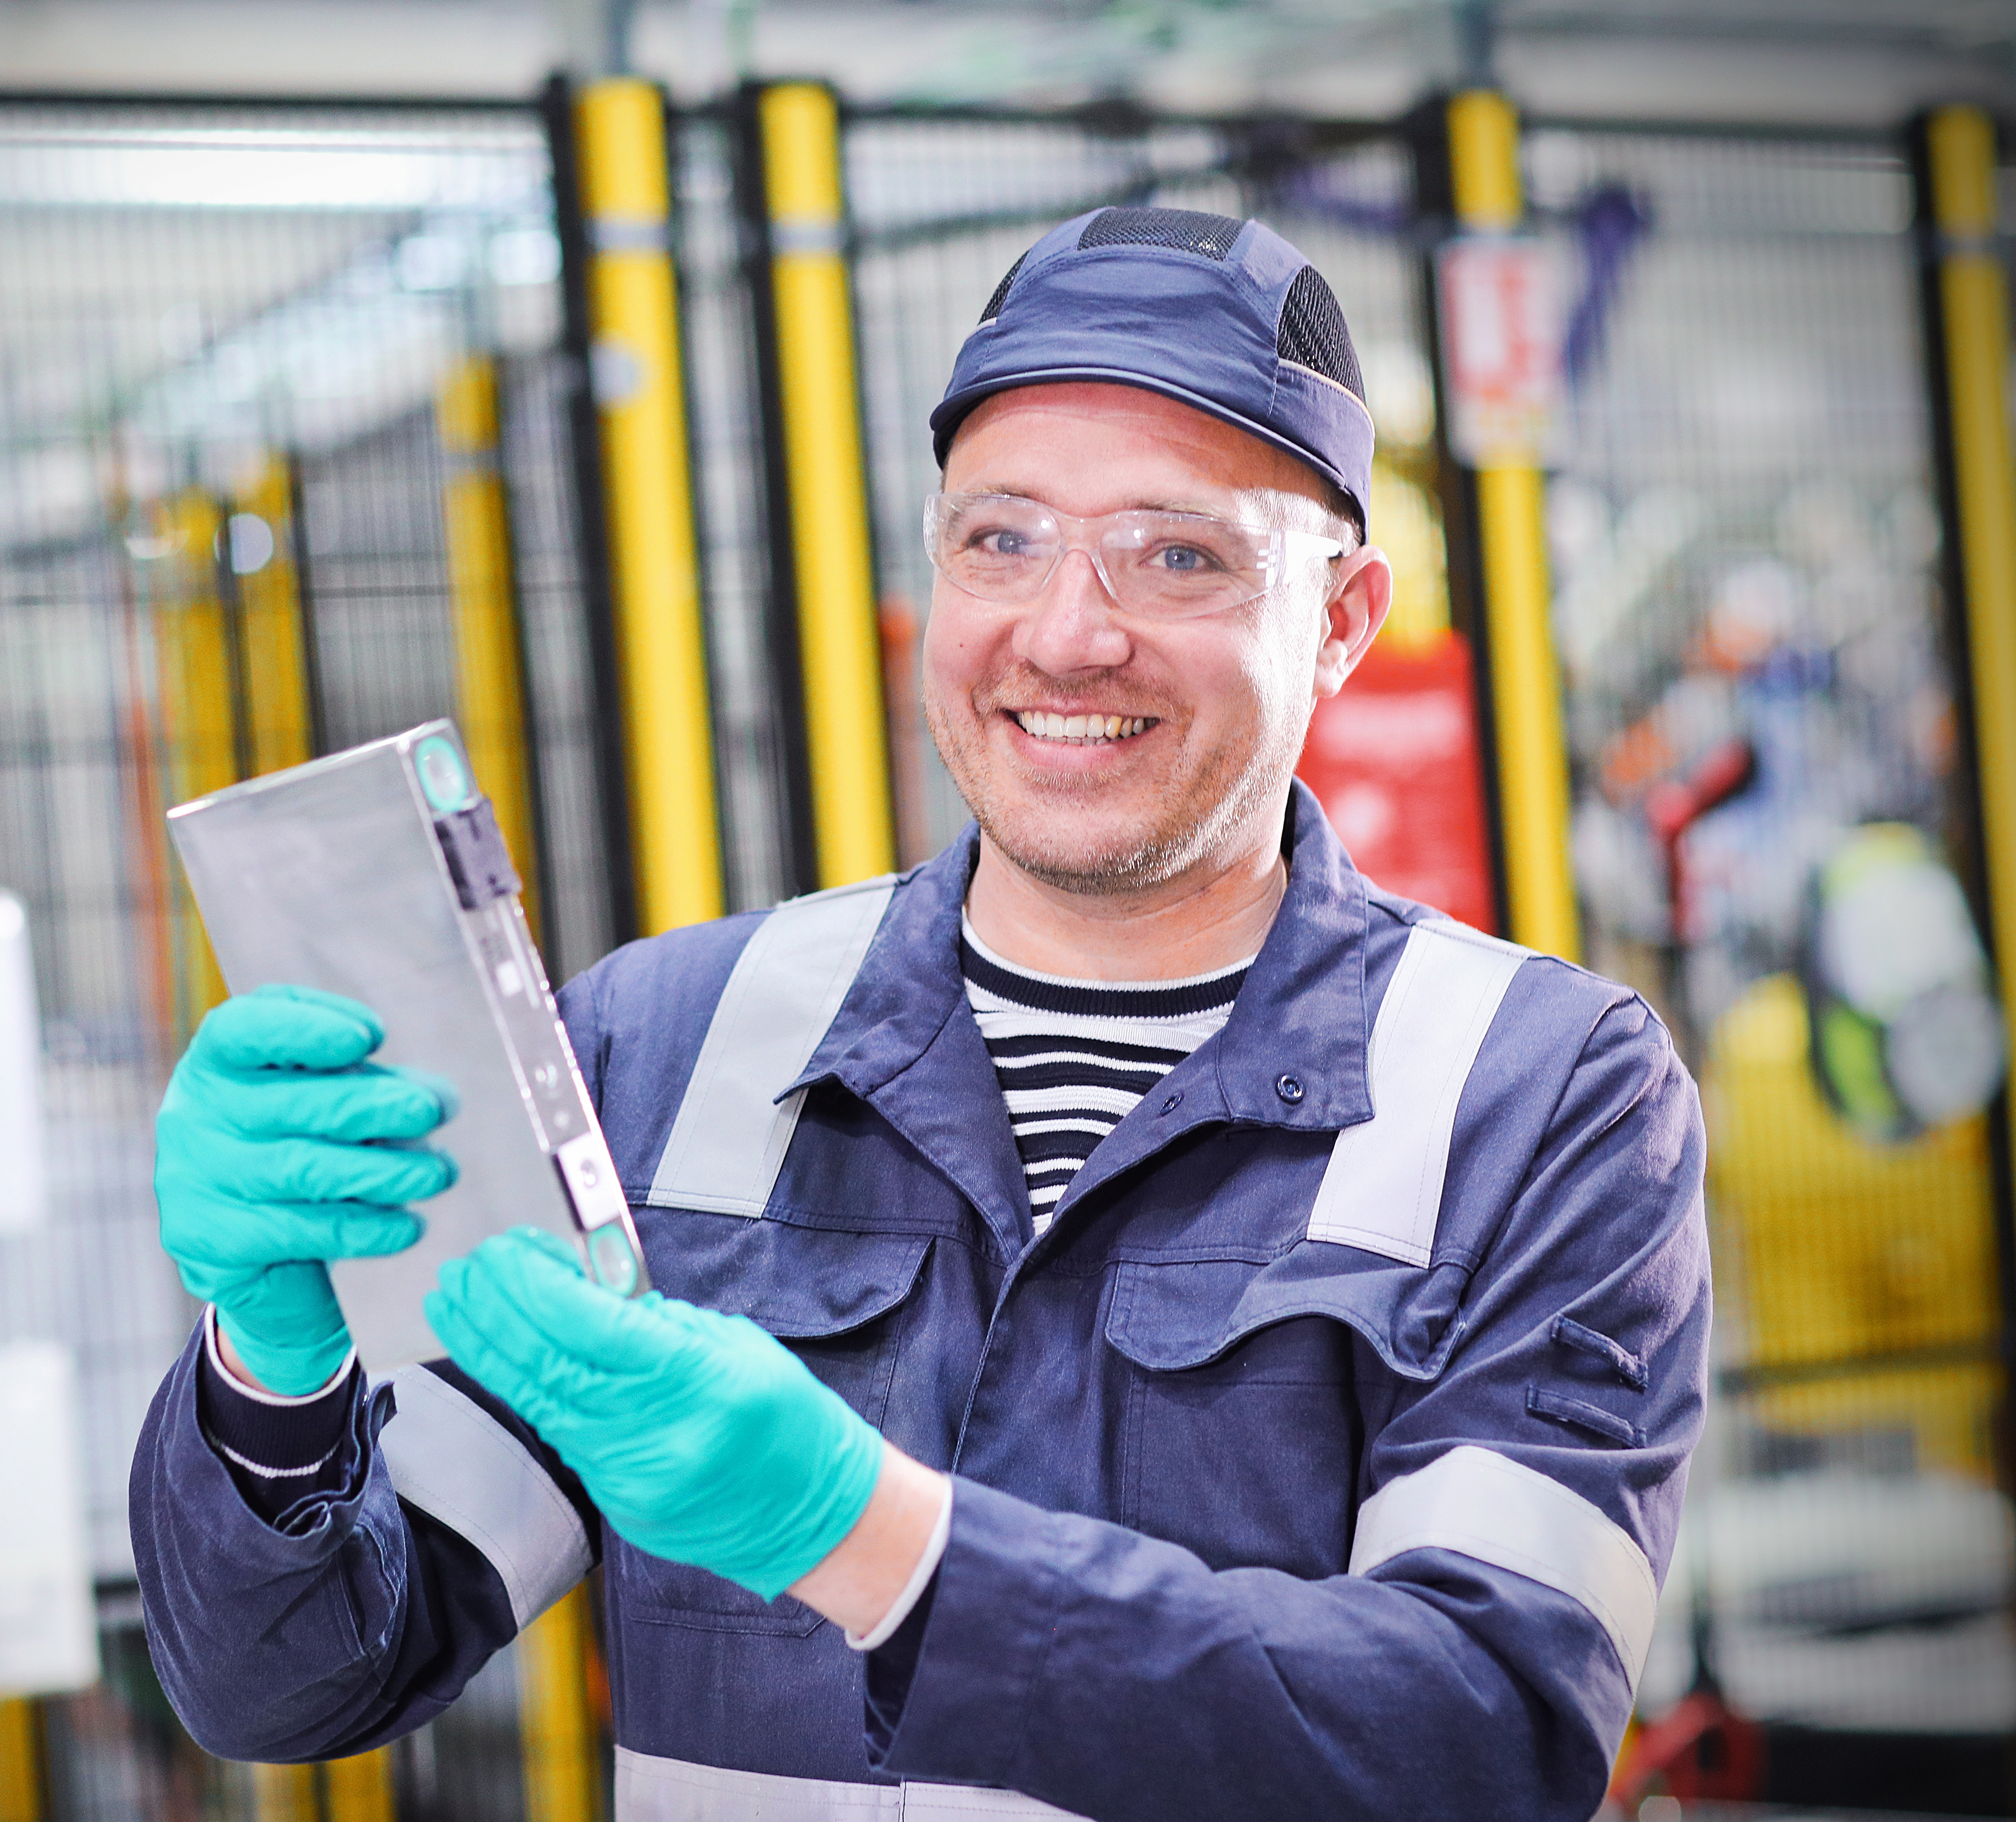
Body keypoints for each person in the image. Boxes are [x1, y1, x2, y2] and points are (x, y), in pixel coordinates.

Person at [130, 204, 1709, 1821]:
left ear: (1341, 618)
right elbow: (303, 1679)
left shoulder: (1537, 1090)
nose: (1065, 631)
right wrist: (271, 1365)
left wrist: (860, 1535)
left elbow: (1481, 1742)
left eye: (1178, 554)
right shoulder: (662, 1044)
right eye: (999, 538)